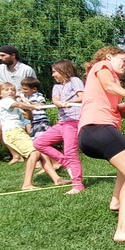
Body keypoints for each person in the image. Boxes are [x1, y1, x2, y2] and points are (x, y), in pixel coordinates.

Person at [78, 46, 125, 243]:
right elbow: (110, 87)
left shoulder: (113, 80)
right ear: (109, 56)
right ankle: (124, 229)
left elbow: (117, 112)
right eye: (124, 60)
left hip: (97, 131)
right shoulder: (102, 66)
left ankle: (116, 201)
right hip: (97, 128)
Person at [0, 82, 63, 190]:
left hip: (19, 131)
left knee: (40, 150)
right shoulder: (5, 101)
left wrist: (27, 105)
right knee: (34, 153)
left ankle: (57, 179)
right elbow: (19, 105)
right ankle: (27, 184)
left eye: (12, 89)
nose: (11, 91)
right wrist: (33, 106)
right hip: (12, 132)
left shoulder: (15, 102)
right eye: (6, 90)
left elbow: (28, 116)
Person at [34, 59, 85, 195]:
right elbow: (55, 99)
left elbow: (82, 96)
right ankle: (65, 163)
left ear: (64, 70)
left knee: (70, 152)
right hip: (62, 123)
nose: (53, 75)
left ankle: (78, 185)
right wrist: (58, 102)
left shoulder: (74, 80)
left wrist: (69, 102)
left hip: (73, 122)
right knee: (39, 142)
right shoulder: (57, 86)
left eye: (55, 72)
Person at [0, 45, 37, 163]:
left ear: (13, 55)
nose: (0, 58)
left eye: (3, 55)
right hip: (9, 106)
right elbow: (0, 87)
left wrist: (24, 99)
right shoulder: (0, 69)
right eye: (0, 55)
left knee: (28, 129)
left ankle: (34, 157)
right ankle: (16, 155)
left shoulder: (26, 69)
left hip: (23, 103)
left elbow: (32, 86)